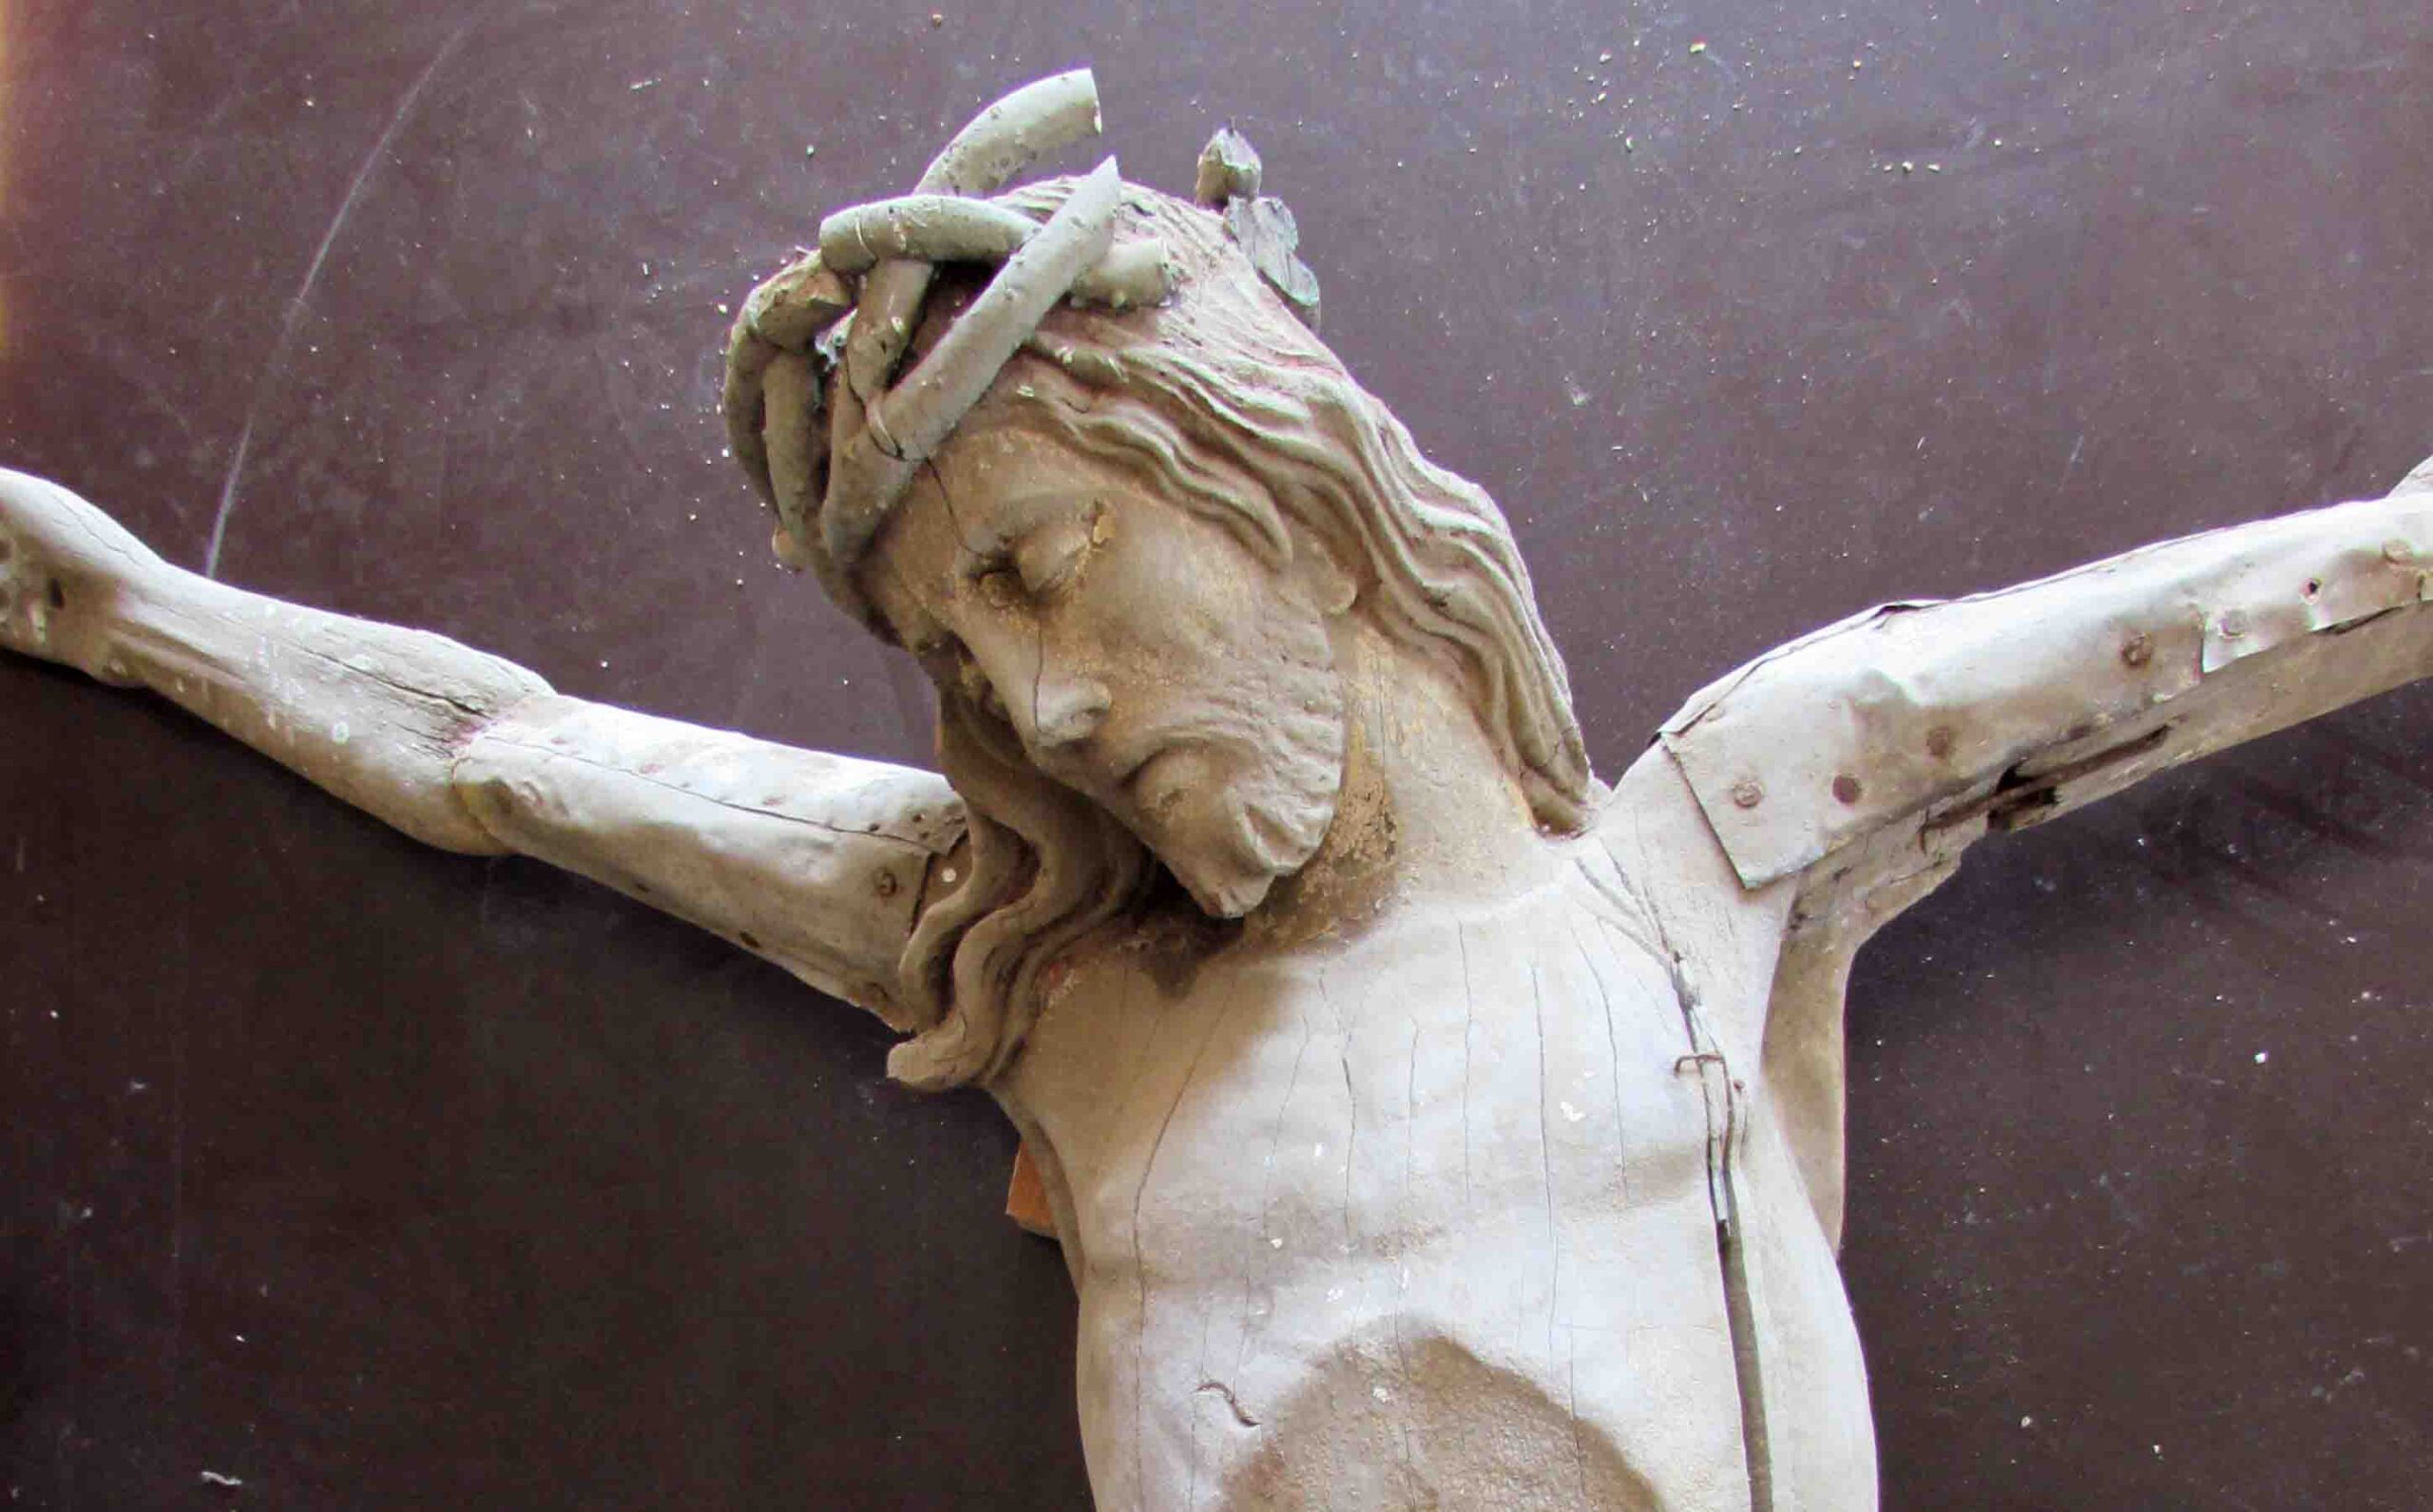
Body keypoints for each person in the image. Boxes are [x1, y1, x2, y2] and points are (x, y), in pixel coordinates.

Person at [4, 72, 2428, 1510]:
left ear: (1269, 478)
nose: (1039, 711)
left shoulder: (1718, 835)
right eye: (963, 664)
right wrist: (123, 609)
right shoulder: (1049, 990)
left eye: (1046, 569)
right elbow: (511, 756)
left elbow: (2319, 587)